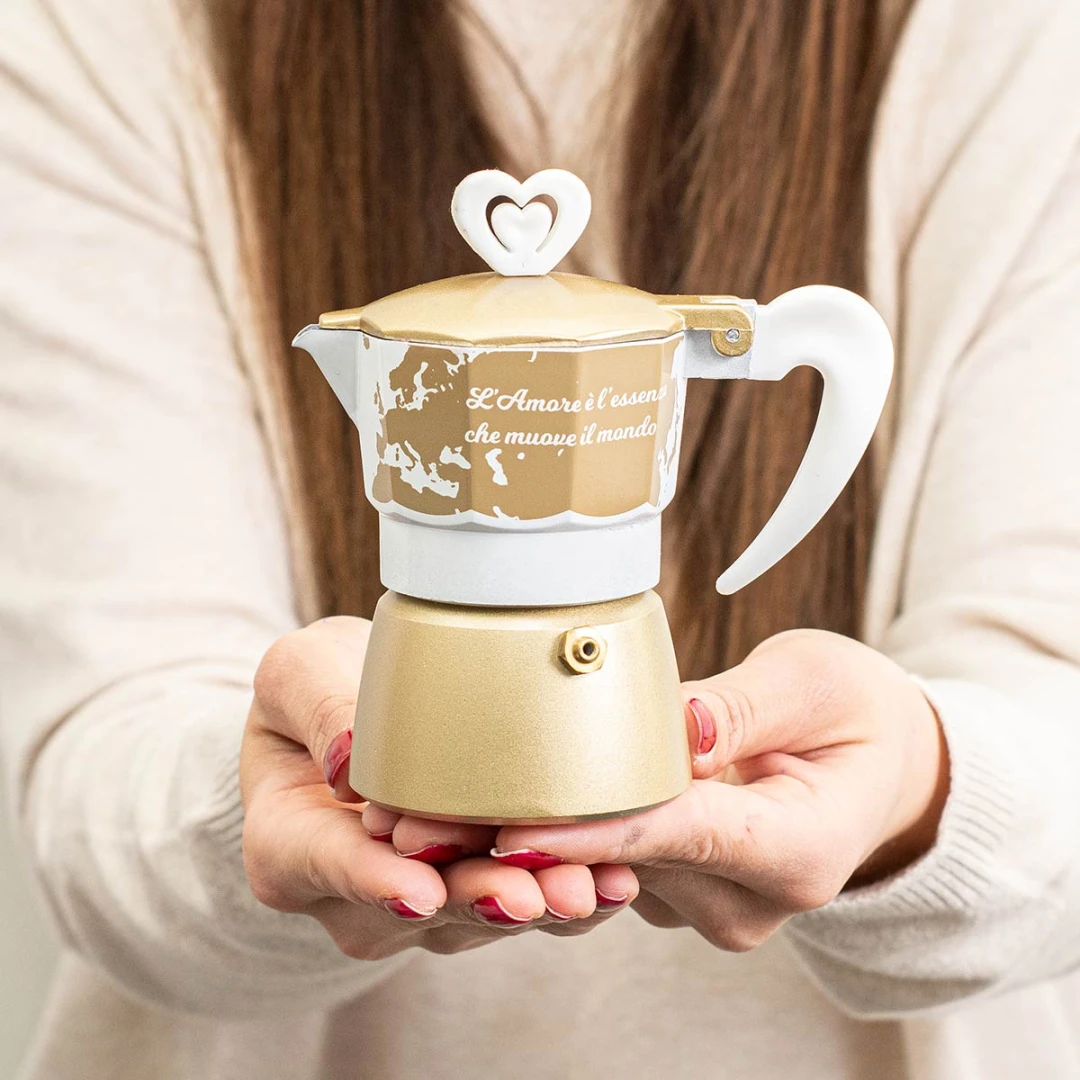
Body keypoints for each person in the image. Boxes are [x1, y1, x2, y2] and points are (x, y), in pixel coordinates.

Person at [2, 0, 1079, 1077]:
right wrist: (245, 810)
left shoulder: (1002, 36)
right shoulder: (105, 33)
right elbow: (97, 783)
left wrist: (914, 789)